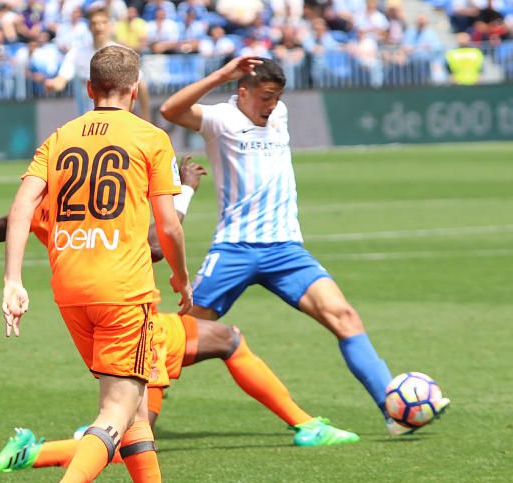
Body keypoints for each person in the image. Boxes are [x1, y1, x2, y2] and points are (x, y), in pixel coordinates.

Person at [0, 157, 358, 448]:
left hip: (87, 313)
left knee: (205, 356)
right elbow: (158, 245)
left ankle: (304, 425)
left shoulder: (44, 204)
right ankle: (39, 453)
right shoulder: (115, 200)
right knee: (129, 428)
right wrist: (187, 189)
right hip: (134, 314)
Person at [159, 57, 449, 436]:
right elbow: (170, 109)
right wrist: (221, 75)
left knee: (343, 316)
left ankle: (393, 410)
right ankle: (125, 419)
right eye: (265, 96)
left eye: (277, 97)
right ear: (242, 92)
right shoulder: (220, 120)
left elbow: (271, 98)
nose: (272, 105)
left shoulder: (279, 114)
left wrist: (270, 94)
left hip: (286, 250)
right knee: (178, 337)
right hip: (235, 249)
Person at [3, 45, 211, 483]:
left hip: (70, 287)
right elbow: (167, 226)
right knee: (117, 409)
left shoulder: (59, 137)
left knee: (133, 404)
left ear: (89, 89)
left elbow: (21, 205)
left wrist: (13, 280)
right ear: (135, 90)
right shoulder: (150, 137)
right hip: (124, 289)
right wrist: (182, 281)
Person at [45, 7, 151, 121]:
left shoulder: (122, 53)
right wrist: (52, 84)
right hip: (88, 125)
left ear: (110, 26)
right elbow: (61, 80)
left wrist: (146, 118)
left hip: (118, 124)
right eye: (94, 23)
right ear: (89, 27)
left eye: (103, 22)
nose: (99, 27)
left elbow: (141, 86)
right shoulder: (76, 53)